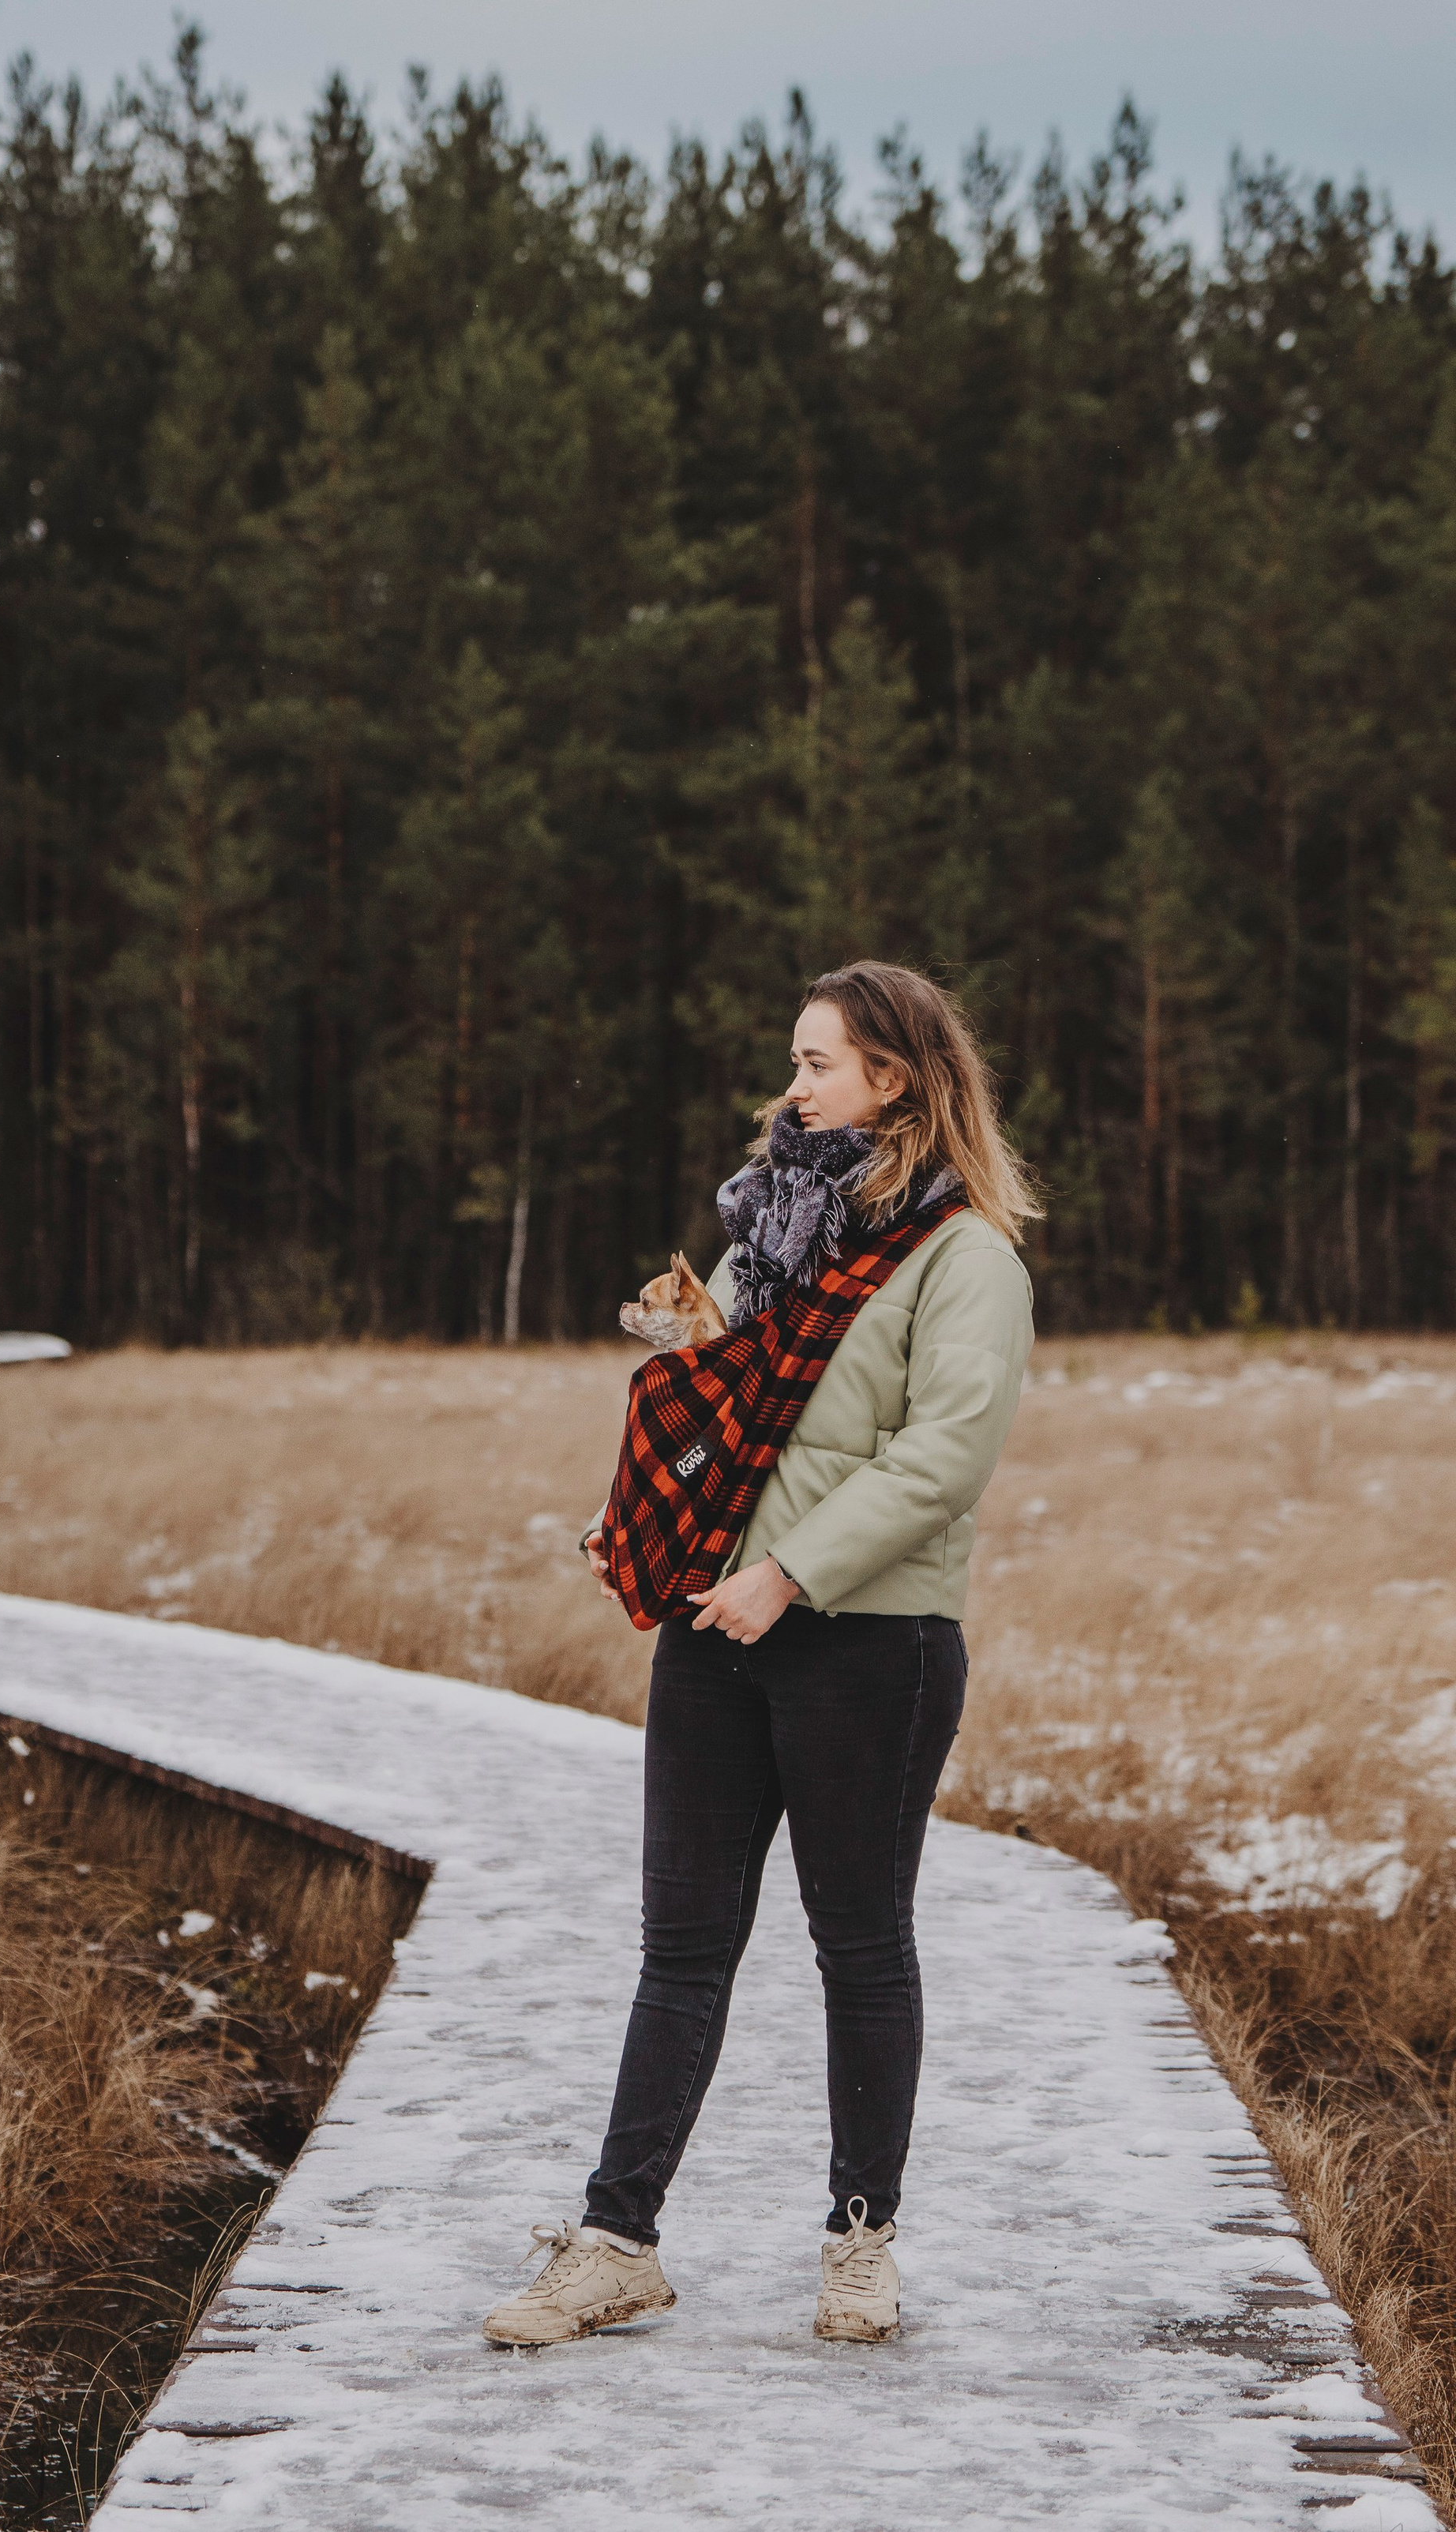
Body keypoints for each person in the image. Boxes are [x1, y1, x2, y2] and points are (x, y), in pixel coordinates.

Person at [483, 960, 1038, 2350]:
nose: (790, 1088)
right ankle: (617, 2243)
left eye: (817, 1063)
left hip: (872, 1642)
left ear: (894, 1079)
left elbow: (945, 1454)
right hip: (714, 1628)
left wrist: (790, 1573)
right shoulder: (769, 1232)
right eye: (794, 1062)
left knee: (860, 1945)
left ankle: (862, 2243)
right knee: (680, 1947)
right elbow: (731, 1411)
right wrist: (670, 1425)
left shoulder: (965, 1254)